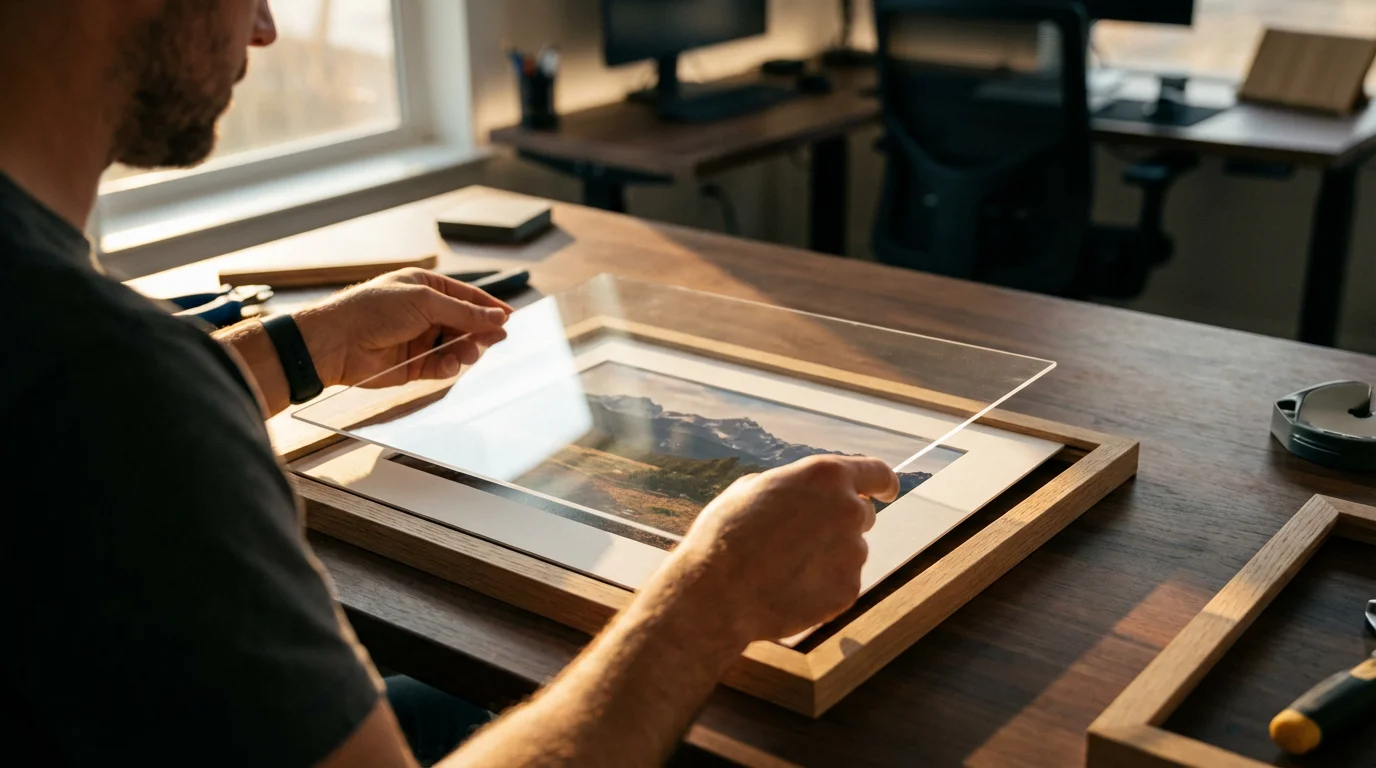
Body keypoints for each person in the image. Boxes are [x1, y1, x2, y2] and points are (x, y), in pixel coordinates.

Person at [0, 2, 899, 765]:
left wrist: (298, 348)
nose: (269, 27)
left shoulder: (63, 343)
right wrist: (717, 590)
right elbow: (104, 413)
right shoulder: (103, 379)